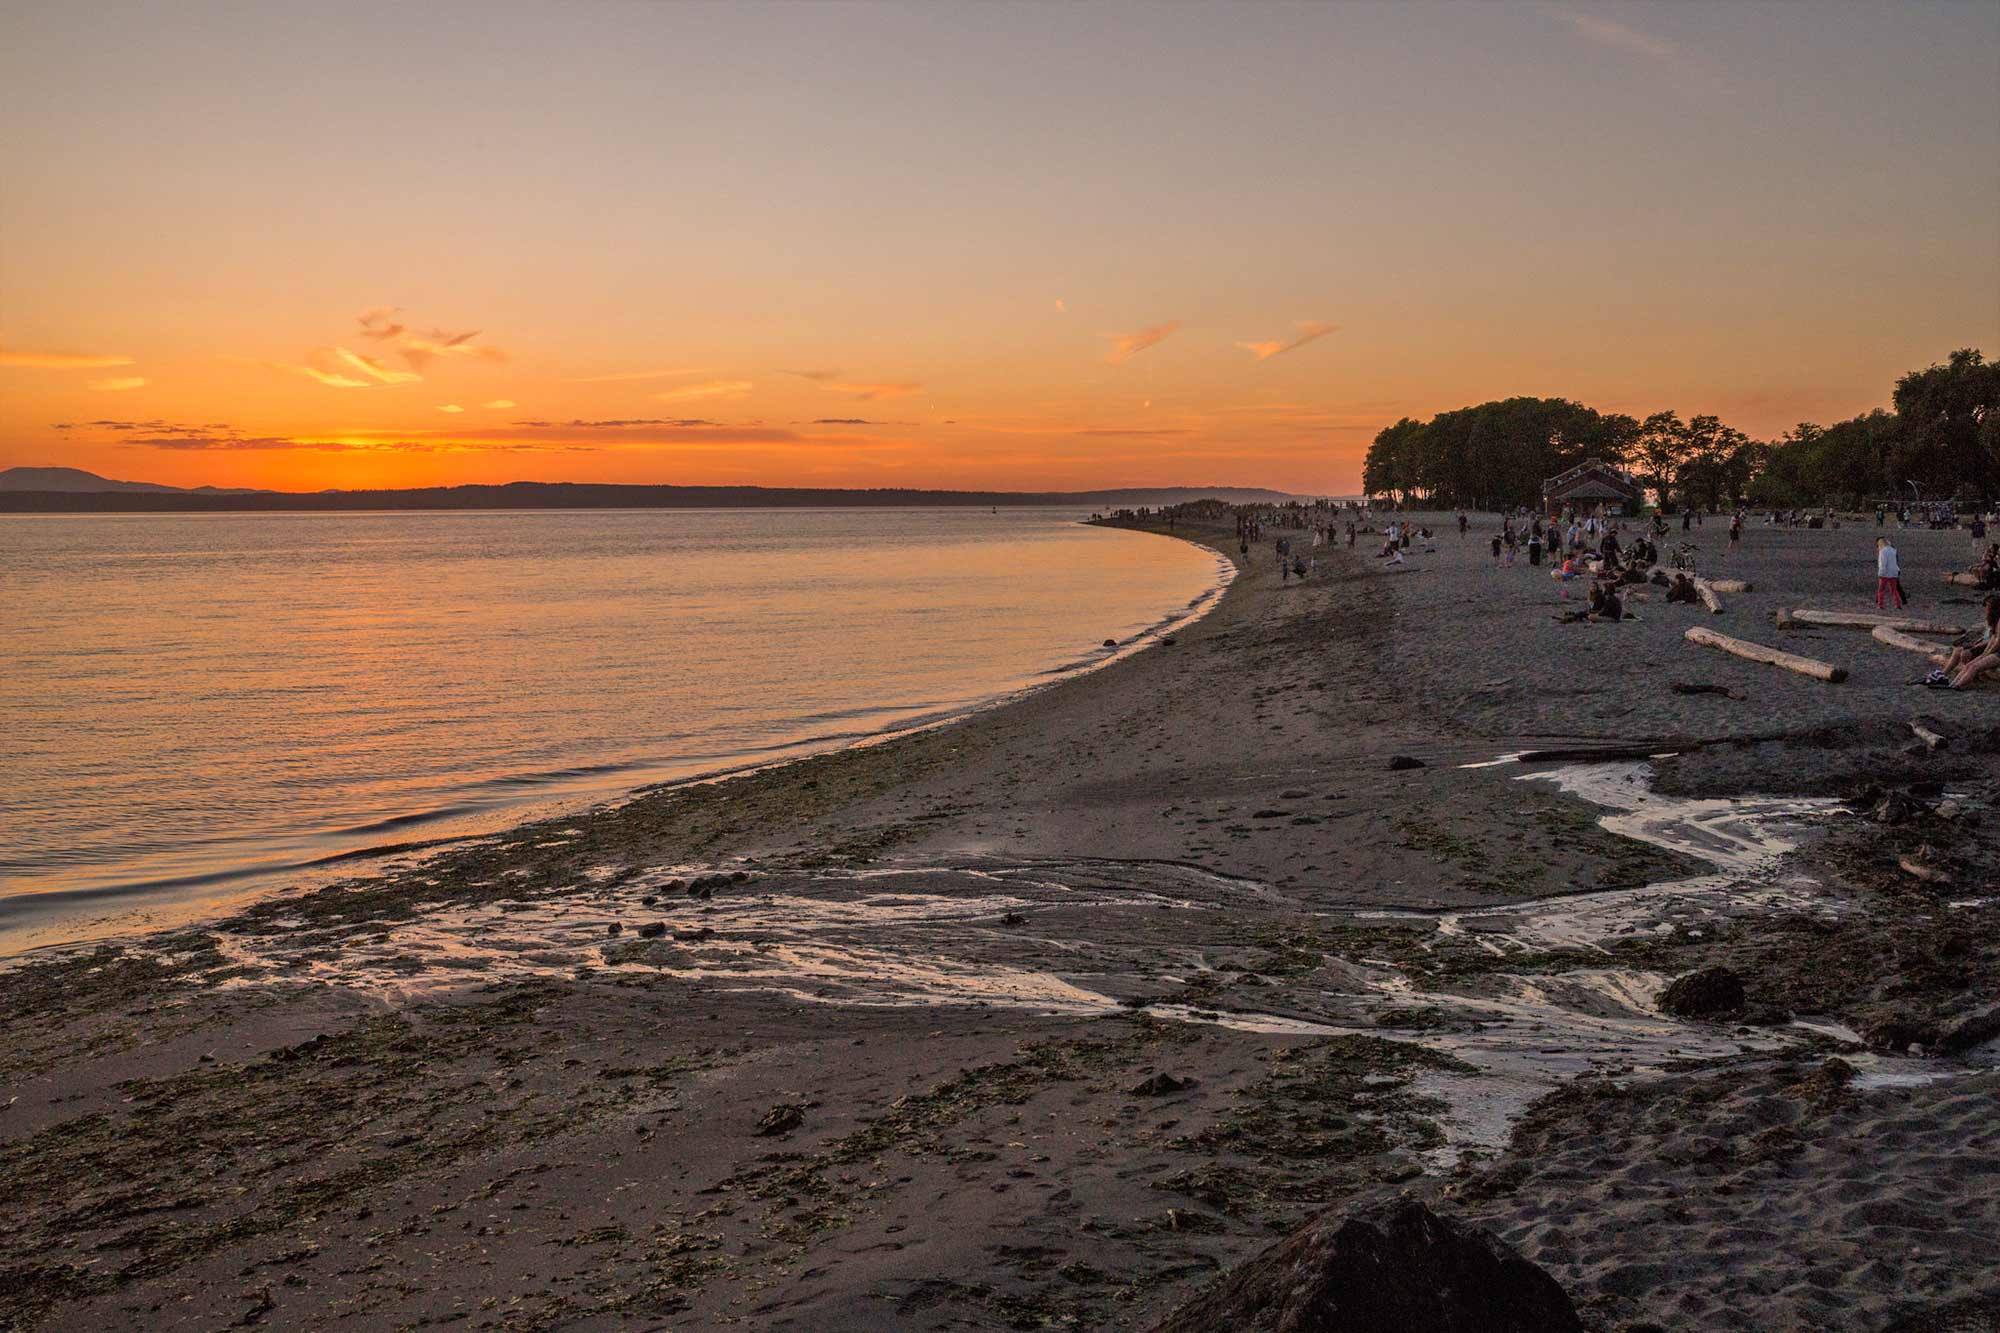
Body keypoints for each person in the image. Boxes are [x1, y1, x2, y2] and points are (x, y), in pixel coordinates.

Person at [1877, 536, 1906, 609]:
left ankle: (1880, 605)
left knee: (1881, 590)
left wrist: (1881, 573)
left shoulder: (1882, 551)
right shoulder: (1893, 550)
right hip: (1894, 572)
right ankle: (1898, 604)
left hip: (1885, 573)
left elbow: (1883, 563)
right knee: (1894, 590)